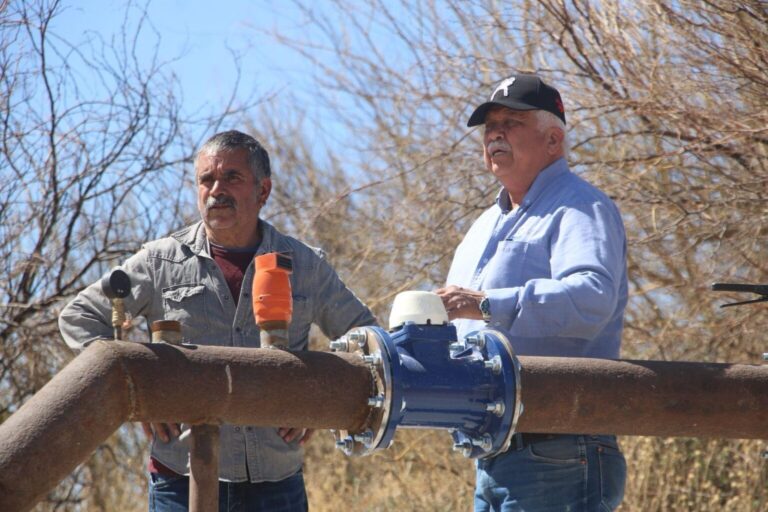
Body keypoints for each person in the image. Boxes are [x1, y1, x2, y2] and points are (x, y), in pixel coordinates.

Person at [59, 130, 376, 512]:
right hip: (181, 478)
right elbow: (79, 317)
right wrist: (139, 393)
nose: (216, 190)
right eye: (206, 180)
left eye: (232, 178)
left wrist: (321, 400)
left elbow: (368, 340)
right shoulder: (161, 263)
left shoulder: (305, 265)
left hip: (276, 483)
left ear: (263, 191)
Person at [436, 74, 628, 511]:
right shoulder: (482, 226)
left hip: (561, 446)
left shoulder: (581, 206)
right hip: (495, 449)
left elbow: (591, 297)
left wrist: (484, 304)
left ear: (553, 139)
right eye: (490, 126)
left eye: (512, 121)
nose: (496, 133)